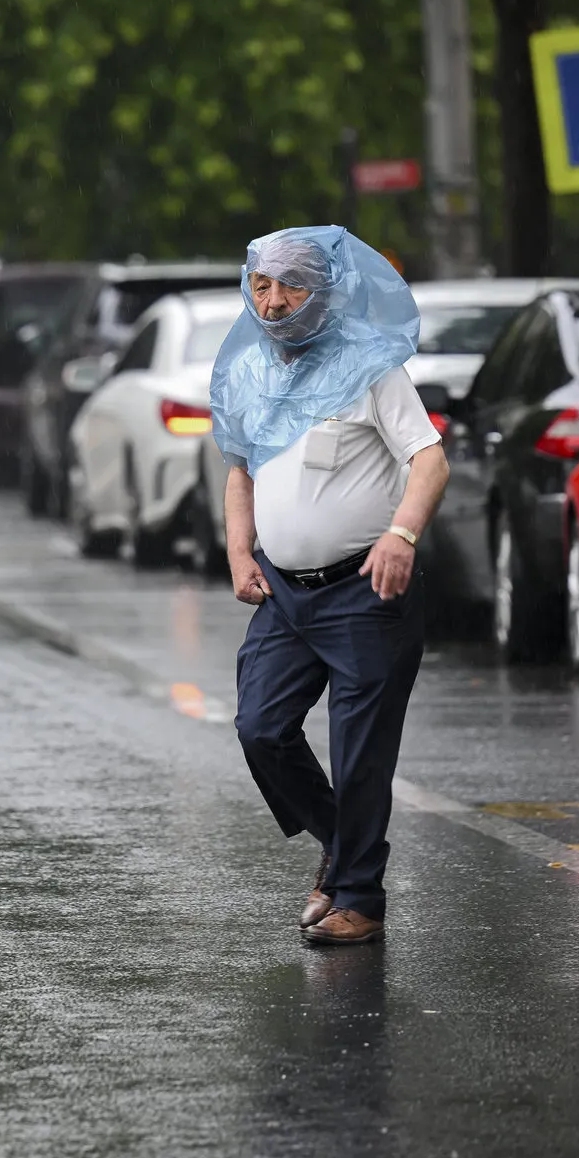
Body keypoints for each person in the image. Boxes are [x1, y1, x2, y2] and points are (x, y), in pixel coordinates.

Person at [209, 227, 448, 947]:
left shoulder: (369, 369)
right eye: (261, 286)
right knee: (261, 727)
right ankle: (342, 847)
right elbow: (241, 470)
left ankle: (358, 900)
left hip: (363, 592)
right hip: (284, 592)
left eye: (291, 286)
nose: (274, 302)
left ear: (325, 290)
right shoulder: (255, 369)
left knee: (359, 750)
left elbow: (429, 460)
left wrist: (400, 535)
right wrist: (238, 552)